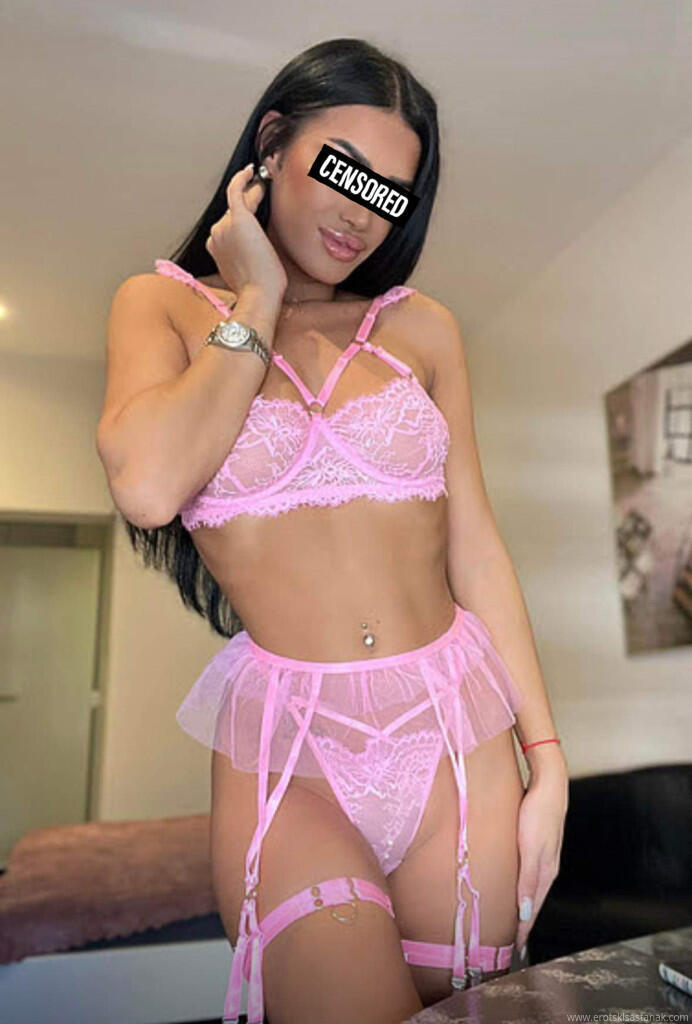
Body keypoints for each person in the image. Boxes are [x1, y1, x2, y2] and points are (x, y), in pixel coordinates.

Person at [97, 37, 568, 1024]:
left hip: (458, 736)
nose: (362, 213)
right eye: (344, 172)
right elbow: (147, 484)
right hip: (292, 753)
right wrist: (257, 298)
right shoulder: (163, 307)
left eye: (389, 193)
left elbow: (475, 547)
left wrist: (548, 756)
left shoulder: (422, 328)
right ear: (272, 142)